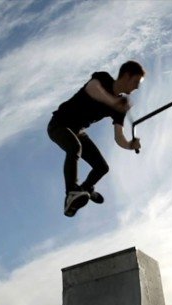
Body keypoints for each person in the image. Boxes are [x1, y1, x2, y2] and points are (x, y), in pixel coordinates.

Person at [47, 61, 145, 217]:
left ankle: (85, 190)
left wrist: (129, 145)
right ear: (126, 76)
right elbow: (92, 89)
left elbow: (119, 137)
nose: (137, 88)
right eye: (136, 82)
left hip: (78, 132)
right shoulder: (103, 78)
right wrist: (113, 102)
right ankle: (71, 193)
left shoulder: (119, 109)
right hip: (59, 124)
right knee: (74, 147)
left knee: (102, 167)